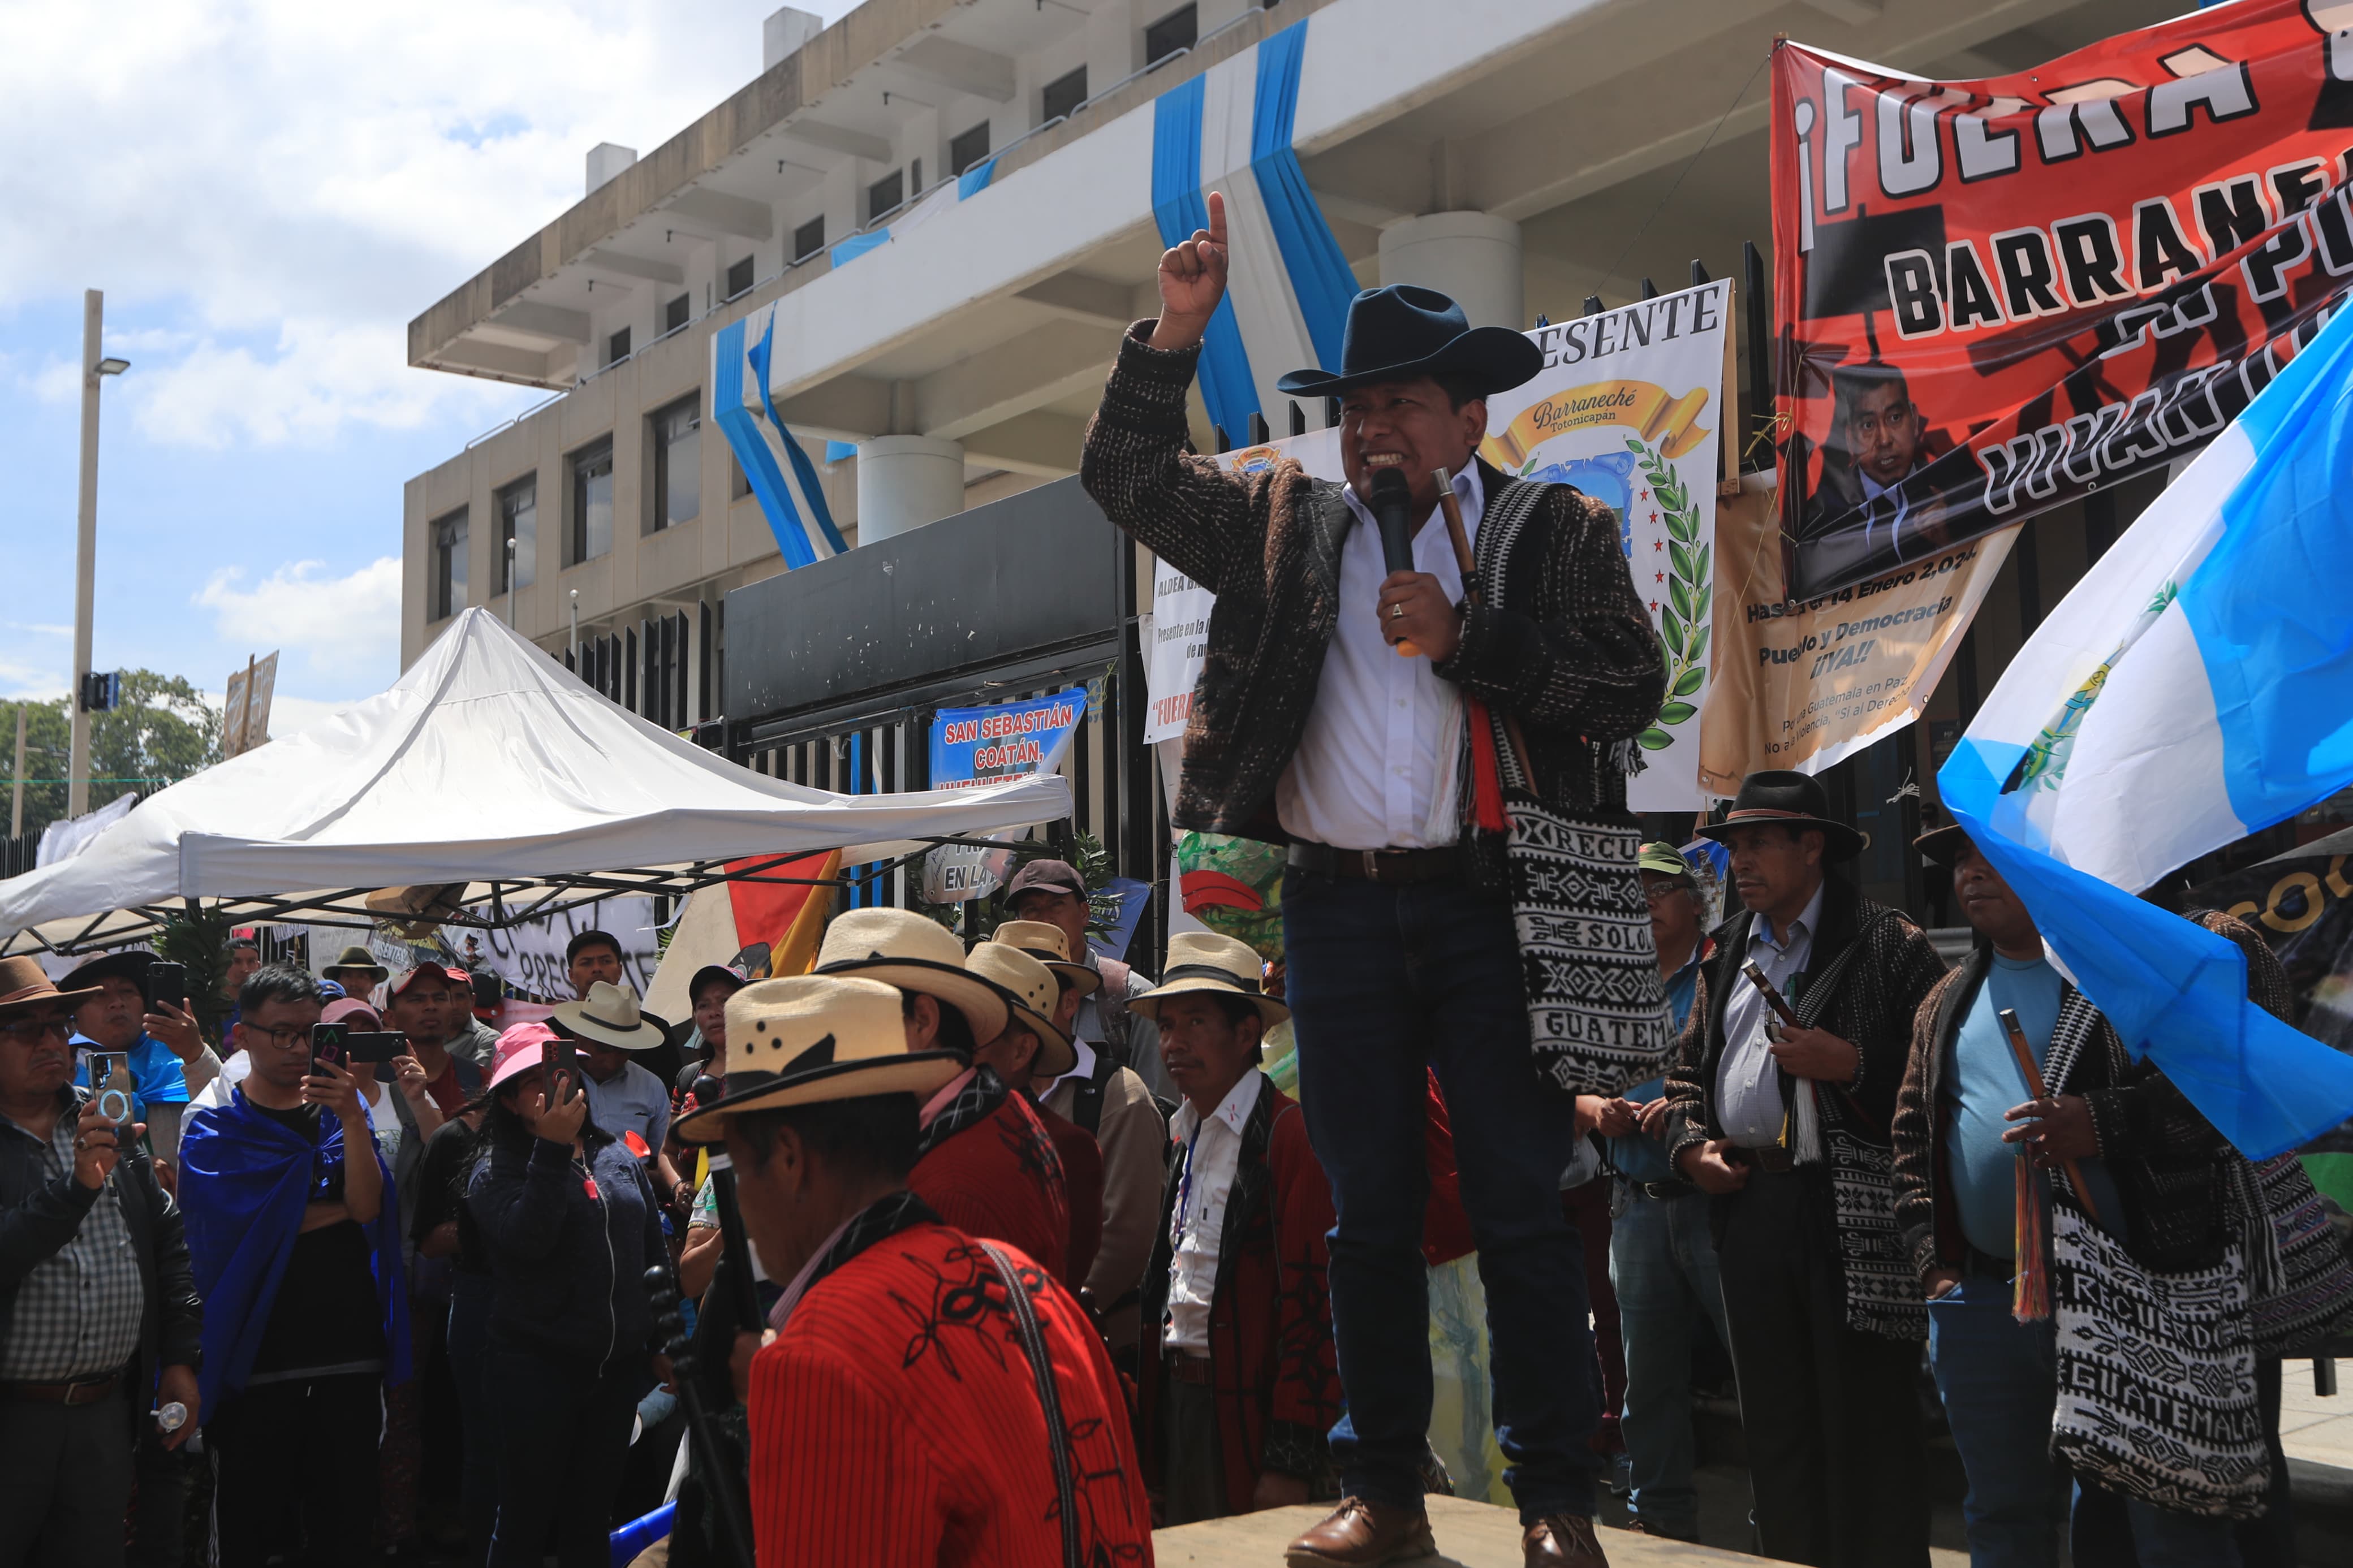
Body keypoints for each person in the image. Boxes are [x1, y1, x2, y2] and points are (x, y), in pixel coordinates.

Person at [1085, 192, 1665, 1567]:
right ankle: (1387, 1496)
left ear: (1470, 417)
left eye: (1401, 404)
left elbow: (1630, 686)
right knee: (1366, 1217)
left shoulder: (1556, 530)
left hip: (1495, 905)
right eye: (1356, 409)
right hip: (1338, 909)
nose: (1373, 432)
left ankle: (1554, 1505)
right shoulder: (1289, 527)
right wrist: (1173, 333)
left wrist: (1474, 642)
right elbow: (1126, 477)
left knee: (1522, 1205)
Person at [1891, 824, 2309, 1566]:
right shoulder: (1948, 998)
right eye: (1959, 859)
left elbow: (2241, 1090)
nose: (1971, 873)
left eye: (1991, 854)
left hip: (2145, 1290)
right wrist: (1937, 1267)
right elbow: (1910, 1139)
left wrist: (2104, 1123)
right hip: (1990, 1299)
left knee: (2163, 1519)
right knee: (2002, 1512)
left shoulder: (2157, 959)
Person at [673, 973, 1154, 1565]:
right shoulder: (1028, 1282)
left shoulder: (814, 1354)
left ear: (791, 1159)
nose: (741, 1203)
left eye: (742, 1171)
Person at [1662, 771, 1947, 1568]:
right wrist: (1691, 1148)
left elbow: (1945, 1080)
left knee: (1871, 1425)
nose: (1740, 862)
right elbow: (1686, 1074)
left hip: (1853, 1218)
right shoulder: (1725, 955)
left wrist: (1851, 1061)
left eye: (1757, 843)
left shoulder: (1891, 944)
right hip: (1753, 1207)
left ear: (1812, 845)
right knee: (1777, 1425)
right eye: (1734, 846)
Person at [180, 964, 407, 1568]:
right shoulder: (213, 1130)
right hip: (256, 1360)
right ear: (241, 1036)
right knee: (254, 1533)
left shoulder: (343, 1115)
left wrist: (355, 1120)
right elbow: (227, 1233)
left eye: (310, 1032)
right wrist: (307, 1209)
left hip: (347, 1353)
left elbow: (365, 1206)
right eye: (280, 1033)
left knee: (344, 1530)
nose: (298, 1048)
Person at [1130, 932, 1341, 1525]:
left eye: (1195, 1022)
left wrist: (1288, 1458)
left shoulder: (1290, 1137)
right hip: (1182, 1404)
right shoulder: (1183, 1135)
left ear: (1246, 1034)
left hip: (1248, 1415)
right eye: (1167, 1025)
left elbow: (1314, 1307)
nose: (1173, 1042)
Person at [0, 957, 201, 1568]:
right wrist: (77, 1189)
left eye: (58, 1026)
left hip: (103, 1413)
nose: (51, 1042)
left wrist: (181, 1360)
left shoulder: (107, 1116)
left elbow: (167, 1240)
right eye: (26, 1029)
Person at [467, 1022, 667, 1568]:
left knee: (590, 1517)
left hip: (615, 1372)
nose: (555, 1087)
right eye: (533, 1081)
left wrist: (663, 1339)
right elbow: (528, 1242)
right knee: (527, 1518)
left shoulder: (617, 1157)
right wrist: (552, 1152)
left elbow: (653, 1258)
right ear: (508, 1102)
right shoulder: (494, 1172)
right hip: (535, 1370)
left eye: (559, 1073)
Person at [1587, 843, 1726, 1543]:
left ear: (1695, 903)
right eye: (1631, 887)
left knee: (1756, 1366)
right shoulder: (1610, 981)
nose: (1642, 898)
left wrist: (1687, 1115)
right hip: (1632, 1200)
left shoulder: (1724, 971)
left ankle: (1780, 1519)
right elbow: (1560, 1083)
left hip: (1714, 1202)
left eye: (1659, 887)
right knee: (1648, 1379)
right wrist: (1595, 1111)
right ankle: (1657, 1520)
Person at [814, 909, 1072, 1282]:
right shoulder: (994, 1110)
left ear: (922, 1020)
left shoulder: (947, 1187)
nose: (830, 1046)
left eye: (846, 1018)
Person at [999, 919, 1166, 1368]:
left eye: (1036, 989)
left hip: (1095, 1348)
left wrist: (1048, 1320)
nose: (1020, 1008)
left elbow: (1128, 1236)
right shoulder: (988, 1092)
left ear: (1071, 1001)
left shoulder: (1119, 1096)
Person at [412, 1037, 506, 1563]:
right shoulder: (453, 1138)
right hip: (472, 1305)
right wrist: (496, 1225)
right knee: (478, 1440)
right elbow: (427, 1237)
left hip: (542, 1310)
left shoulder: (565, 1135)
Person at [964, 940, 1100, 1288]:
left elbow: (1066, 1279)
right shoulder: (928, 1129)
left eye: (978, 1031)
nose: (959, 1045)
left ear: (1023, 1050)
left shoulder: (1066, 1148)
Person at [1005, 858, 1175, 1105]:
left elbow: (1159, 1110)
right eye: (1032, 910)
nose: (1046, 920)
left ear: (1084, 913)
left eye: (1057, 905)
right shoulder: (1005, 999)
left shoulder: (1131, 996)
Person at [554, 980, 691, 1213]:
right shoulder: (552, 1081)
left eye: (624, 1050)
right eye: (605, 1049)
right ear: (578, 1036)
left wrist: (659, 1180)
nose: (614, 1060)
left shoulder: (651, 1087)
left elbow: (665, 1158)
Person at [63, 952, 202, 1168]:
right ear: (74, 1015)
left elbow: (234, 1118)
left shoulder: (184, 1060)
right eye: (100, 994)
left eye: (127, 991)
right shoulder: (63, 1081)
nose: (117, 1003)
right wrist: (136, 1169)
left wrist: (197, 1054)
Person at [383, 965, 486, 1116]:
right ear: (390, 1018)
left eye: (440, 999)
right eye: (416, 1000)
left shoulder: (480, 1081)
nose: (431, 1007)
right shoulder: (370, 1079)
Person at [321, 943, 389, 1003]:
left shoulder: (379, 1017)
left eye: (361, 977)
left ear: (373, 984)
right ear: (338, 982)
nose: (353, 983)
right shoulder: (325, 1015)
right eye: (347, 976)